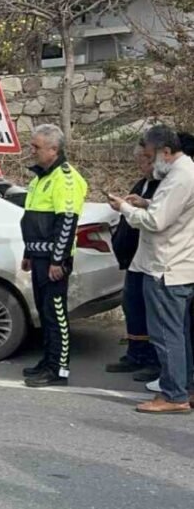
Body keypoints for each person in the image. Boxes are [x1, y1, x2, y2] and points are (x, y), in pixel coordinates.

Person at [107, 125, 194, 414]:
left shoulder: (180, 177)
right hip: (176, 265)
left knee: (167, 336)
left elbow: (156, 222)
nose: (146, 161)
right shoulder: (181, 173)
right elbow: (169, 211)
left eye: (148, 155)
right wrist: (144, 202)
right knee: (179, 335)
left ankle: (173, 395)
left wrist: (126, 209)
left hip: (166, 267)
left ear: (165, 152)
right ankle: (183, 388)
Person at [20, 124, 88, 388]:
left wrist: (57, 261)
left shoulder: (66, 178)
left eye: (36, 147)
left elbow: (66, 223)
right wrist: (28, 252)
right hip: (39, 258)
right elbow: (33, 219)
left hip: (53, 262)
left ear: (53, 149)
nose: (32, 151)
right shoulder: (42, 177)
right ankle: (47, 361)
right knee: (45, 312)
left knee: (56, 314)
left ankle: (58, 369)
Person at [105, 144, 160, 379]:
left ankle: (154, 361)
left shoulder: (164, 187)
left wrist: (127, 207)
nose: (141, 166)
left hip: (153, 258)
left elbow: (152, 220)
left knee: (153, 313)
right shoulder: (143, 184)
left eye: (144, 161)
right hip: (136, 257)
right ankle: (135, 354)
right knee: (133, 306)